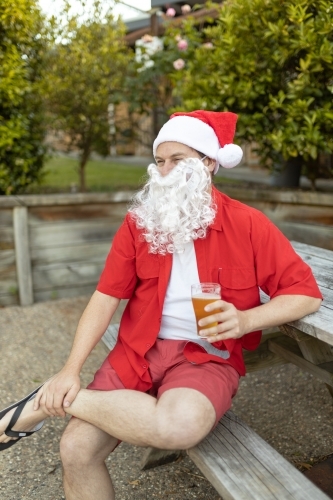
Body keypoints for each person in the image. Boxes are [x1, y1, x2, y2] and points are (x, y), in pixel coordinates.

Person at [0, 110, 322, 499]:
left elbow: (305, 293)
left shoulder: (249, 224)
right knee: (76, 449)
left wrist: (246, 319)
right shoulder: (139, 223)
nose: (165, 170)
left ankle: (48, 399)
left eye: (178, 159)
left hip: (206, 356)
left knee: (180, 427)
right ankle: (61, 391)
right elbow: (104, 299)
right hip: (138, 351)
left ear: (208, 163)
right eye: (160, 161)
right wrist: (71, 369)